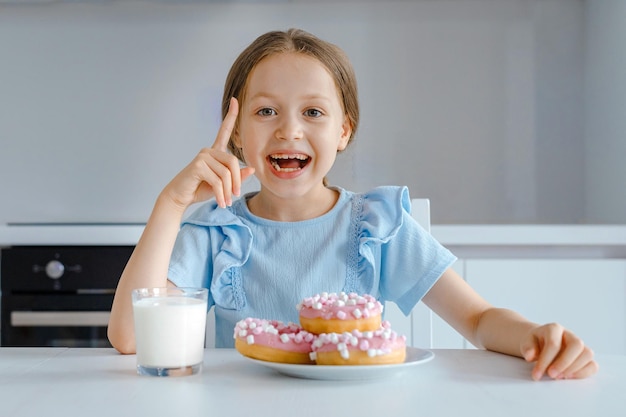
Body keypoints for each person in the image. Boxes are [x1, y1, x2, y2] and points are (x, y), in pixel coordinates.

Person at [108, 28, 598, 381]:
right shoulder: (214, 231)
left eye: (313, 112)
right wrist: (170, 204)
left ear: (343, 131)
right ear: (236, 131)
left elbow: (476, 319)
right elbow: (130, 339)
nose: (289, 129)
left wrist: (536, 336)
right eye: (265, 111)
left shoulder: (378, 227)